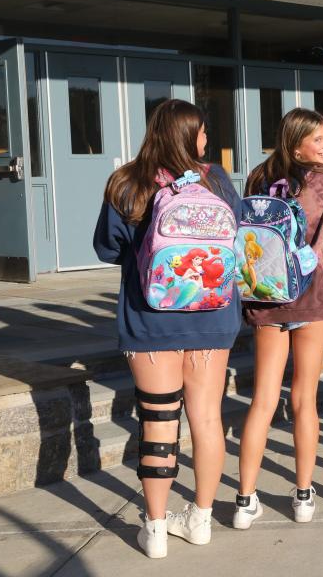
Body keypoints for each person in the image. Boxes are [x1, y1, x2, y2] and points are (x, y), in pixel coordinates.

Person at [93, 99, 242, 559]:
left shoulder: (126, 181)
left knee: (158, 421)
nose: (205, 139)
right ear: (189, 135)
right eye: (201, 132)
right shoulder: (214, 179)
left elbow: (107, 246)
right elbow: (236, 232)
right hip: (213, 317)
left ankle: (155, 528)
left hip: (150, 319)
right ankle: (199, 519)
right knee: (206, 418)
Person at [233, 108, 323, 528]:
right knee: (304, 398)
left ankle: (245, 499)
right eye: (319, 139)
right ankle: (303, 495)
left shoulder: (258, 176)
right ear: (297, 140)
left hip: (266, 294)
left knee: (263, 398)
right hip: (313, 292)